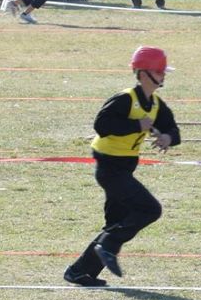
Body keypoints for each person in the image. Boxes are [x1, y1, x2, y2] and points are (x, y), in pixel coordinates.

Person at [63, 46, 180, 287]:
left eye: (163, 71)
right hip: (109, 168)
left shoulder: (156, 104)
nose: (163, 76)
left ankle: (79, 271)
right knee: (150, 209)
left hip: (125, 168)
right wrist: (136, 125)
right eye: (158, 71)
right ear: (142, 73)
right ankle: (107, 246)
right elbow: (102, 124)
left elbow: (173, 129)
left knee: (116, 221)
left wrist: (168, 137)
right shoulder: (125, 99)